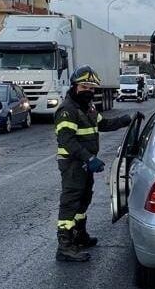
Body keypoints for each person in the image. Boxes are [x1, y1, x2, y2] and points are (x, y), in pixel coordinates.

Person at [54, 65, 134, 262]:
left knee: (84, 199)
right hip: (73, 163)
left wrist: (125, 120)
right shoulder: (67, 110)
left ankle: (79, 235)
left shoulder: (88, 108)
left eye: (91, 87)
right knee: (71, 202)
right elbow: (67, 140)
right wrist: (89, 159)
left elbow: (103, 124)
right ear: (74, 86)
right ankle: (64, 246)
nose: (88, 91)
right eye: (84, 86)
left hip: (84, 164)